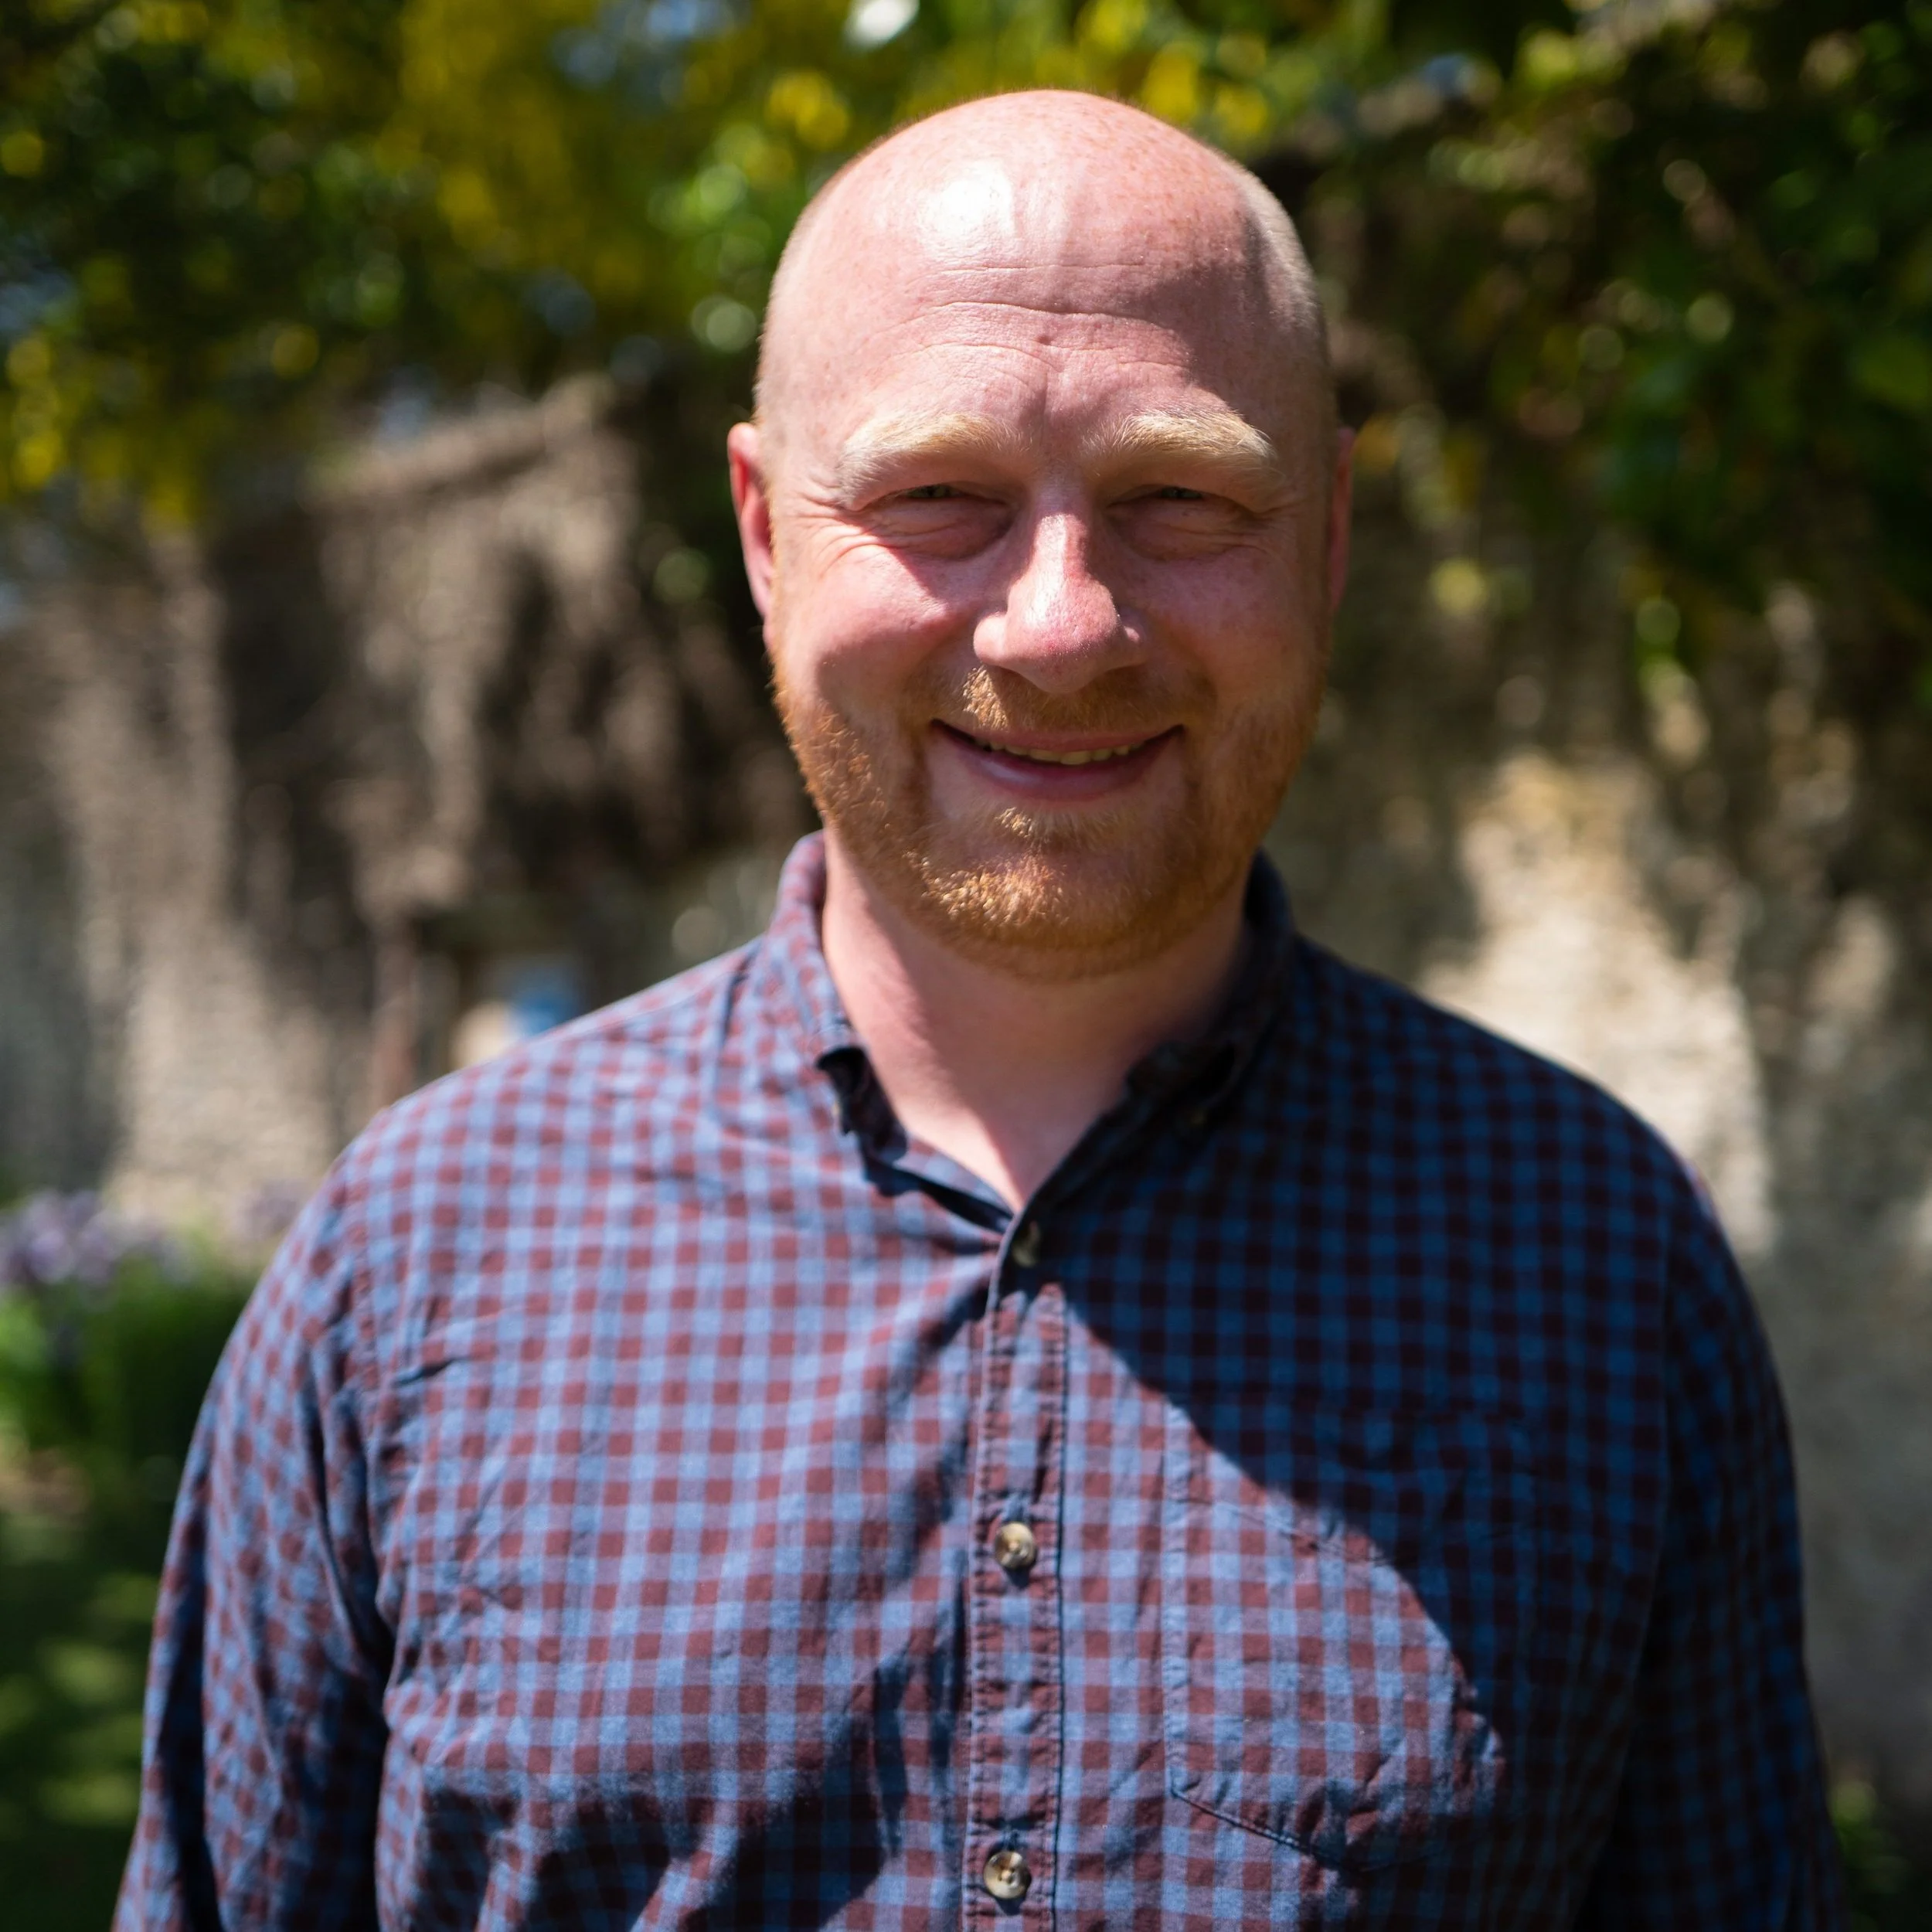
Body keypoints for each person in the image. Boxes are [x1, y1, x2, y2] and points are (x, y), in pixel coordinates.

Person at [118, 90, 1843, 1929]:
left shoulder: (1593, 1260)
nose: (1057, 623)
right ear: (766, 536)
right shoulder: (409, 1267)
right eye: (937, 497)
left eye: (1178, 497)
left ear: (1328, 535)